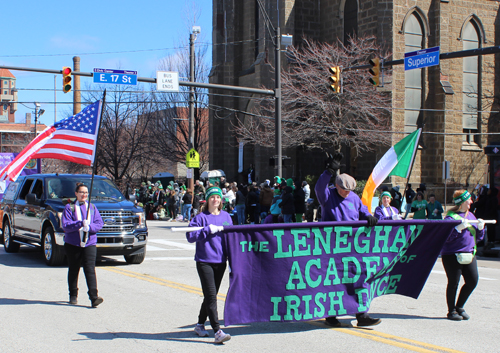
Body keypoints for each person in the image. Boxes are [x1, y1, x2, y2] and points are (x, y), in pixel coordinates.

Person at [315, 152, 380, 327]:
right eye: (344, 189)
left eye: (349, 190)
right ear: (336, 186)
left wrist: (368, 216)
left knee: (358, 277)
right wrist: (328, 172)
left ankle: (361, 314)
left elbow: (362, 210)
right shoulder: (328, 196)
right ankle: (330, 315)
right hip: (332, 245)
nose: (347, 192)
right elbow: (319, 188)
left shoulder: (353, 197)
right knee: (334, 280)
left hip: (352, 245)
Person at [186, 187, 233, 344]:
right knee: (212, 296)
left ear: (221, 200)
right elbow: (190, 236)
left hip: (221, 262)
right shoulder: (200, 218)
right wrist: (206, 230)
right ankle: (217, 331)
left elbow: (232, 239)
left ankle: (199, 325)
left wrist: (234, 260)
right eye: (212, 197)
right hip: (204, 261)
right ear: (207, 200)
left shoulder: (227, 217)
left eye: (218, 197)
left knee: (209, 297)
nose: (215, 200)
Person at [441, 190, 485, 321]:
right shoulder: (449, 218)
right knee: (453, 283)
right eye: (468, 200)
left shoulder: (471, 215)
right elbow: (444, 238)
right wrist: (457, 229)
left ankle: (459, 306)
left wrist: (482, 229)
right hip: (452, 255)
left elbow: (478, 238)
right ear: (461, 202)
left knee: (472, 281)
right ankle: (451, 311)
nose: (471, 201)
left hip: (469, 254)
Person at [61, 182, 104, 307]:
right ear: (76, 194)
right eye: (81, 192)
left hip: (89, 243)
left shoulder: (92, 208)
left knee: (90, 269)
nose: (84, 194)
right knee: (74, 268)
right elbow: (66, 225)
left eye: (86, 192)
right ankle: (73, 295)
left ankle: (94, 297)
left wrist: (89, 227)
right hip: (73, 243)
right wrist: (80, 223)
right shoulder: (70, 208)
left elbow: (99, 223)